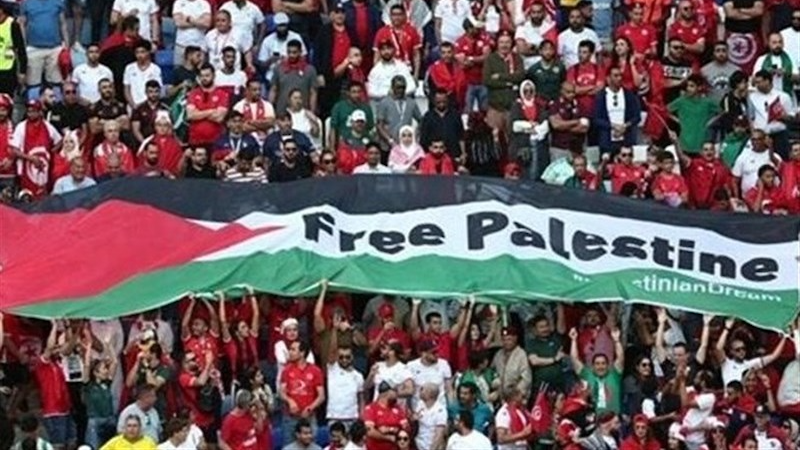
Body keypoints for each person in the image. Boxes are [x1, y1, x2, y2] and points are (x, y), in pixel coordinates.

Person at [11, 99, 63, 199]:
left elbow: (60, 140)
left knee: (42, 195)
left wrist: (51, 152)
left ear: (40, 112)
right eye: (29, 111)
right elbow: (14, 150)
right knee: (27, 197)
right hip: (25, 171)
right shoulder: (21, 127)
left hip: (44, 169)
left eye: (33, 111)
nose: (30, 114)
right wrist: (30, 158)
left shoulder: (48, 126)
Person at [569, 325, 625, 413]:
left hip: (613, 419)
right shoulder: (587, 375)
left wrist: (617, 341)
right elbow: (574, 359)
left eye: (603, 363)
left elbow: (620, 357)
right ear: (593, 366)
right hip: (594, 420)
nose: (600, 366)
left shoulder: (614, 374)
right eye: (597, 364)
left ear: (608, 365)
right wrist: (573, 340)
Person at [18, 0, 69, 95]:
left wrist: (66, 46)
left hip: (55, 48)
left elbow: (63, 24)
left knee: (56, 82)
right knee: (33, 83)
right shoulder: (26, 3)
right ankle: (33, 107)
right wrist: (23, 47)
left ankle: (56, 107)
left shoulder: (58, 2)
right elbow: (22, 25)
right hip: (33, 48)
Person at [279, 341, 325, 445]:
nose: (289, 352)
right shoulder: (286, 370)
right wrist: (290, 401)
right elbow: (281, 392)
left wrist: (310, 408)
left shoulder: (315, 371)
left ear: (302, 353)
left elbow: (321, 396)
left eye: (293, 349)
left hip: (309, 418)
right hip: (290, 418)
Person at [484, 30, 525, 134]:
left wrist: (500, 76)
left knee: (512, 138)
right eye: (501, 42)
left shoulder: (517, 58)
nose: (504, 45)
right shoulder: (490, 59)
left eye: (507, 42)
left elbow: (520, 76)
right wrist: (508, 83)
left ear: (511, 44)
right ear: (497, 44)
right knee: (495, 139)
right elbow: (488, 81)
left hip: (512, 107)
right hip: (495, 107)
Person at [594, 67, 641, 157]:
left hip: (626, 140)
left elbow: (636, 116)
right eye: (616, 76)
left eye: (620, 76)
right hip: (607, 141)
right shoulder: (601, 96)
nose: (619, 78)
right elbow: (597, 119)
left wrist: (625, 126)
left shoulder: (629, 95)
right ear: (608, 78)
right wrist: (613, 126)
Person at [748, 70, 795, 159]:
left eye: (759, 82)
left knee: (782, 161)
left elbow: (792, 117)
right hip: (762, 136)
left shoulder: (783, 96)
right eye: (756, 82)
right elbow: (750, 118)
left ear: (767, 81)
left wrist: (782, 116)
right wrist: (753, 134)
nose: (757, 85)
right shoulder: (752, 97)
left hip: (779, 135)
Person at [668, 75, 720, 154]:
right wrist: (678, 120)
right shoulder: (681, 101)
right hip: (684, 143)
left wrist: (710, 122)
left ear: (699, 87)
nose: (688, 89)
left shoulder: (707, 102)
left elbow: (722, 111)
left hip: (701, 142)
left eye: (691, 86)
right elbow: (664, 111)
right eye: (687, 86)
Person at [269, 39, 318, 115]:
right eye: (289, 52)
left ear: (300, 52)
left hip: (303, 113)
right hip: (282, 113)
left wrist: (312, 112)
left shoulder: (310, 70)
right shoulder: (279, 68)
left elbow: (313, 93)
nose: (291, 55)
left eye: (294, 52)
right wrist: (270, 111)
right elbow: (273, 90)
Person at [187, 64, 230, 149]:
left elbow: (219, 118)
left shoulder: (222, 94)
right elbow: (190, 115)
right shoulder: (193, 93)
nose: (204, 78)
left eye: (207, 75)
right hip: (195, 140)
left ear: (213, 76)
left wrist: (199, 113)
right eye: (202, 76)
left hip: (216, 140)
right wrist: (210, 111)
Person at [373, 4, 422, 77]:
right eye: (394, 15)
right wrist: (378, 74)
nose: (396, 17)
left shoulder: (412, 31)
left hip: (407, 70)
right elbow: (377, 56)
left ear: (404, 16)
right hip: (388, 70)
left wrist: (416, 74)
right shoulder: (382, 32)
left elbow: (416, 55)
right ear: (390, 16)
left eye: (399, 14)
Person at [376, 76, 422, 152]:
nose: (400, 90)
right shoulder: (384, 102)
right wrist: (389, 139)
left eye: (403, 87)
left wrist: (415, 135)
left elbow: (421, 120)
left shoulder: (411, 103)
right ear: (392, 87)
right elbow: (379, 125)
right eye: (398, 87)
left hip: (406, 144)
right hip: (388, 145)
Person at [258, 13, 307, 83]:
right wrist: (271, 60)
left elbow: (304, 57)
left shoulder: (296, 37)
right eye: (279, 26)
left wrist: (290, 59)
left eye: (284, 25)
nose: (282, 29)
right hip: (272, 76)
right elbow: (262, 65)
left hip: (293, 75)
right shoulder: (268, 40)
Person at [732, 129, 782, 197]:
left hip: (771, 198)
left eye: (759, 139)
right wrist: (737, 198)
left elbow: (781, 172)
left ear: (764, 140)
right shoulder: (743, 157)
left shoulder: (775, 156)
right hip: (748, 198)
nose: (756, 142)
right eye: (753, 139)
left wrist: (771, 149)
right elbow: (735, 180)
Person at [419, 90, 466, 163]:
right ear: (434, 101)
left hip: (453, 156)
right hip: (433, 158)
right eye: (438, 101)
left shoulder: (455, 115)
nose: (441, 103)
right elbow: (423, 139)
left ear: (447, 100)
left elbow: (461, 136)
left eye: (444, 100)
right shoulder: (428, 117)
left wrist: (463, 153)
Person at [363, 381, 410, 450]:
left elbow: (406, 429)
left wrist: (390, 429)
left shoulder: (398, 408)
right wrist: (389, 437)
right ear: (387, 393)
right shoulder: (371, 408)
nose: (397, 394)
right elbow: (370, 431)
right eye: (395, 391)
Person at [492, 327, 532, 399]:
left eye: (509, 339)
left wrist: (517, 392)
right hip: (500, 396)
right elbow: (493, 371)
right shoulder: (498, 354)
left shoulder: (521, 354)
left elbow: (526, 378)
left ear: (515, 339)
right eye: (504, 340)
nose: (506, 342)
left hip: (517, 397)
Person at [123, 41, 162, 109]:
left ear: (148, 52)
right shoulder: (129, 68)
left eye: (142, 52)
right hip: (132, 105)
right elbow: (126, 89)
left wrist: (144, 105)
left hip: (150, 107)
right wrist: (133, 104)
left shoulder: (155, 69)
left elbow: (157, 89)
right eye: (137, 52)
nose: (139, 55)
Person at [172, 0, 212, 66]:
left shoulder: (204, 3)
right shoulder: (178, 2)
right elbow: (178, 23)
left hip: (199, 46)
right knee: (179, 71)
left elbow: (206, 23)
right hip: (181, 45)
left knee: (200, 73)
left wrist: (190, 20)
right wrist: (198, 22)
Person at [0, 2, 26, 97]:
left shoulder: (12, 24)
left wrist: (22, 71)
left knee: (7, 100)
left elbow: (21, 48)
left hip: (8, 70)